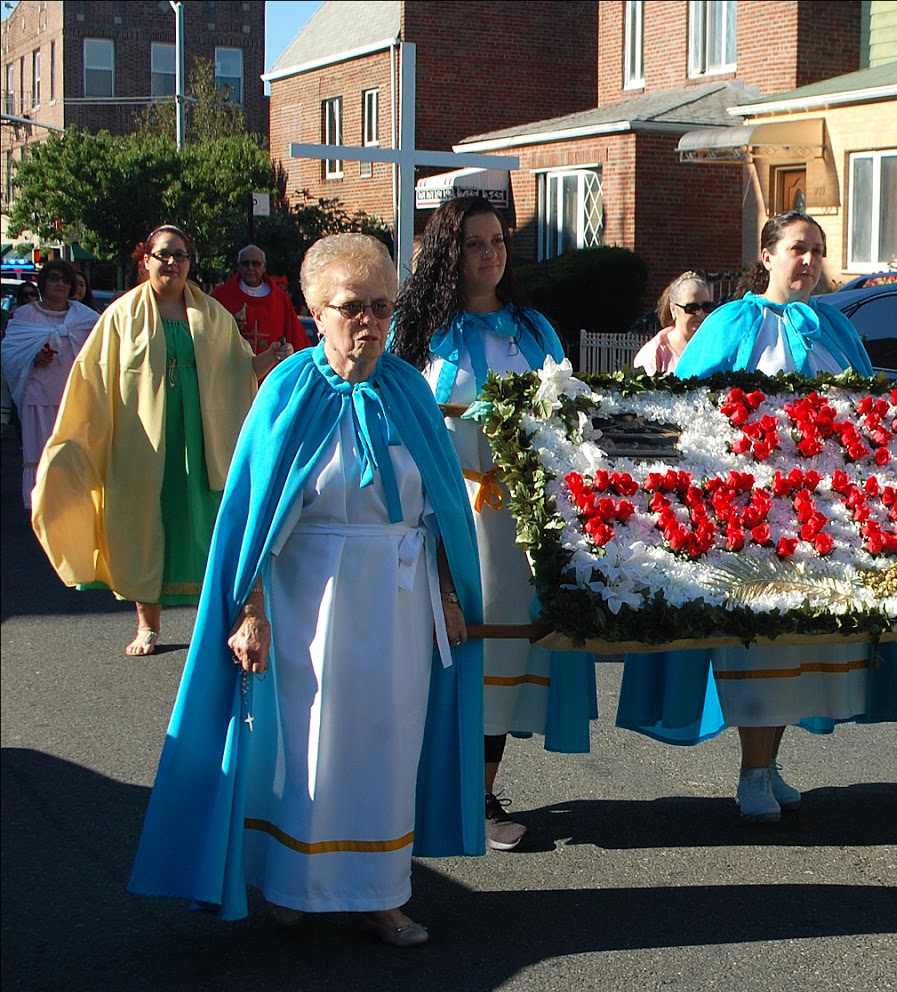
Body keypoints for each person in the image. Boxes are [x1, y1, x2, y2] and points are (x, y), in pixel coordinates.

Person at [128, 233, 485, 946]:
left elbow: (441, 507)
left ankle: (381, 893)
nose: (369, 321)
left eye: (381, 306)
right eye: (352, 306)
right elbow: (254, 514)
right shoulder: (287, 390)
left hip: (399, 598)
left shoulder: (410, 390)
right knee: (309, 740)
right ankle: (296, 885)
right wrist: (250, 608)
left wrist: (449, 594)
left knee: (388, 740)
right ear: (316, 311)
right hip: (308, 600)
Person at [617, 210, 897, 822]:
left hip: (824, 511)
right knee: (761, 638)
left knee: (797, 638)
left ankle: (768, 762)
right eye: (798, 248)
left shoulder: (833, 324)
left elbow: (867, 403)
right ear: (767, 254)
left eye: (818, 250)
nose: (809, 260)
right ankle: (753, 770)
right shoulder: (734, 320)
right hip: (754, 511)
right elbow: (688, 403)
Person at [389, 194, 597, 852]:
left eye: (498, 241)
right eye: (475, 243)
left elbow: (569, 419)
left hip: (515, 526)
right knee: (426, 646)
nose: (490, 253)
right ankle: (405, 791)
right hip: (434, 515)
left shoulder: (532, 330)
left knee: (497, 650)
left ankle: (479, 795)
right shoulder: (415, 331)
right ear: (449, 252)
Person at [31, 226, 257, 656]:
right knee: (144, 522)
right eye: (163, 255)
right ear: (146, 260)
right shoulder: (120, 315)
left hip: (200, 440)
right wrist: (76, 440)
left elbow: (238, 368)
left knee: (203, 525)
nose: (172, 263)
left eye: (180, 255)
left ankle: (213, 623)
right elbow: (92, 377)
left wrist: (267, 360)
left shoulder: (213, 315)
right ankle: (147, 625)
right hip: (143, 441)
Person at [1, 260, 99, 508]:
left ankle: (73, 506)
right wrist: (33, 356)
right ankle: (41, 506)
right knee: (40, 454)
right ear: (43, 283)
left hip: (74, 398)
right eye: (54, 278)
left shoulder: (85, 317)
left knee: (72, 454)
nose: (60, 284)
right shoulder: (25, 315)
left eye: (65, 280)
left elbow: (102, 352)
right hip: (38, 397)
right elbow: (9, 353)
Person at [211, 243, 312, 381]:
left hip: (271, 378)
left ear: (264, 267)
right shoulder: (222, 296)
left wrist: (289, 350)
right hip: (232, 376)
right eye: (245, 263)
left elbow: (296, 337)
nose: (250, 268)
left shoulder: (279, 298)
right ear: (238, 266)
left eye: (256, 264)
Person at [633, 271, 714, 374]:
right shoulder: (653, 353)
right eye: (692, 308)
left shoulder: (717, 347)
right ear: (673, 309)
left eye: (707, 307)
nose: (700, 314)